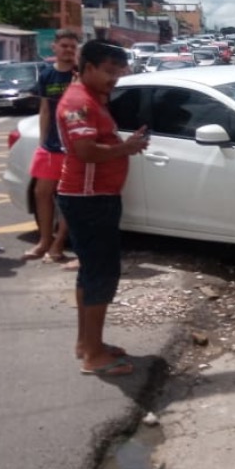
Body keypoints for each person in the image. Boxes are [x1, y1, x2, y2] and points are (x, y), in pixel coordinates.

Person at [57, 40, 150, 376]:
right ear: (89, 67)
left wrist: (126, 146)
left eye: (119, 72)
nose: (115, 79)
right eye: (110, 72)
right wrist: (124, 149)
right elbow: (84, 150)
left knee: (91, 273)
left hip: (96, 196)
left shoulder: (91, 99)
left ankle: (88, 343)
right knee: (101, 274)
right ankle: (93, 355)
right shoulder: (79, 102)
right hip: (89, 198)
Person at [24, 29, 80, 263]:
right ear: (54, 48)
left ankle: (58, 245)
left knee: (68, 198)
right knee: (41, 193)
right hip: (51, 147)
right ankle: (44, 240)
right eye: (64, 46)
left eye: (72, 47)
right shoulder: (47, 75)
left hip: (74, 147)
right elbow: (45, 108)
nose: (68, 50)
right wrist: (42, 142)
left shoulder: (80, 74)